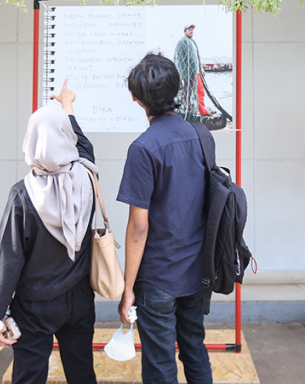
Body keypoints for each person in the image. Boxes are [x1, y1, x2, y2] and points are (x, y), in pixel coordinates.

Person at [0, 80, 98, 384]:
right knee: (82, 372)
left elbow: (8, 258)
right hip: (80, 297)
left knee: (30, 376)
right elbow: (82, 144)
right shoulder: (87, 177)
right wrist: (67, 106)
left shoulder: (23, 194)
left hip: (34, 303)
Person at [117, 53, 213, 384]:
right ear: (177, 89)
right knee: (194, 349)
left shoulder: (143, 148)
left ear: (136, 97)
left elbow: (138, 228)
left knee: (160, 365)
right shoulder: (201, 135)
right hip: (196, 268)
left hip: (157, 275)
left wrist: (127, 289)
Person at [173, 24, 208, 122]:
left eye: (192, 29)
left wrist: (201, 68)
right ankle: (187, 110)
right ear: (185, 31)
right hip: (187, 74)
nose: (191, 31)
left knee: (200, 91)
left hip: (196, 72)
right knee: (186, 93)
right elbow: (179, 59)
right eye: (189, 29)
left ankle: (202, 110)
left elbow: (196, 58)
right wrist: (184, 73)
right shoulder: (182, 42)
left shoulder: (193, 42)